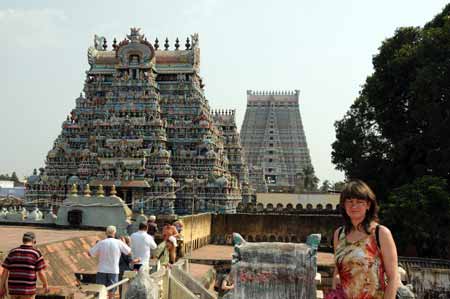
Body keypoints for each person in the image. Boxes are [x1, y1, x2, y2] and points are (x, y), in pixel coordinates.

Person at [331, 180, 399, 299]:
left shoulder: (381, 233)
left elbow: (393, 277)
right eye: (349, 201)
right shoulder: (339, 234)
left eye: (359, 202)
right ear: (344, 205)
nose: (354, 206)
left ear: (368, 205)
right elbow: (337, 273)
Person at [0, 232, 49, 299]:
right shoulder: (36, 253)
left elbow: (5, 272)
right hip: (28, 290)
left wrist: (1, 287)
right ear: (34, 241)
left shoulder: (13, 252)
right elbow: (41, 272)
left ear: (23, 240)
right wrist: (45, 284)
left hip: (14, 289)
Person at [89, 226, 131, 299]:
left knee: (100, 292)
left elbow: (90, 253)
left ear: (106, 233)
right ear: (114, 232)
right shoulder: (119, 242)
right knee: (112, 292)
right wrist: (124, 244)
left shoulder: (101, 242)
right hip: (113, 270)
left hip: (101, 270)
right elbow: (129, 252)